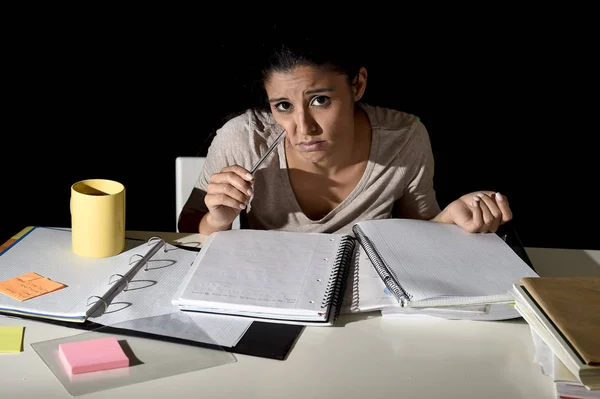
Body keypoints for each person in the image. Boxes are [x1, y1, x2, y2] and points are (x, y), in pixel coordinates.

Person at [177, 40, 513, 237]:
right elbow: (188, 230)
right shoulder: (243, 139)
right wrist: (218, 219)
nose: (303, 127)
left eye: (320, 100)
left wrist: (452, 219)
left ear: (357, 85)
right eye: (283, 106)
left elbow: (419, 234)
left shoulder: (404, 139)